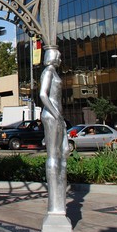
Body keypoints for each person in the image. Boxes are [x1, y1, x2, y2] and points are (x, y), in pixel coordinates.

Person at [39, 46, 69, 215]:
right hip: (52, 116)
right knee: (53, 155)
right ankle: (55, 204)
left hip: (57, 116)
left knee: (63, 152)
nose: (60, 59)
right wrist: (55, 113)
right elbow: (43, 95)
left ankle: (59, 200)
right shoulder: (48, 72)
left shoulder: (53, 72)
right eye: (58, 56)